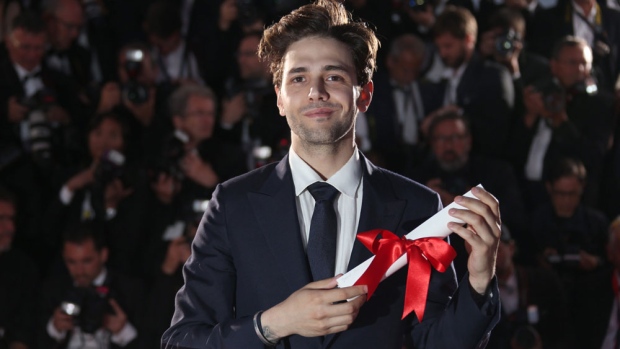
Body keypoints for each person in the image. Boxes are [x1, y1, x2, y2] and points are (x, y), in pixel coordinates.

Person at [162, 1, 502, 348]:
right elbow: (183, 341)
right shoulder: (232, 206)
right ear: (279, 97)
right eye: (299, 77)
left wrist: (478, 280)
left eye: (334, 76)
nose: (316, 91)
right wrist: (273, 323)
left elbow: (434, 343)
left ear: (364, 95)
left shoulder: (417, 207)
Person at [425, 5, 515, 159]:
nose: (443, 53)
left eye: (448, 46)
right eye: (439, 47)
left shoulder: (493, 75)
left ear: (468, 39)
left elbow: (498, 130)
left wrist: (457, 114)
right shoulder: (439, 80)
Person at [38, 222, 144, 349]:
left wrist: (124, 331)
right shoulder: (54, 288)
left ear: (103, 255)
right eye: (71, 262)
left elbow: (153, 341)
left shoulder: (129, 290)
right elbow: (32, 337)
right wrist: (54, 327)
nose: (79, 271)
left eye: (87, 261)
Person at [486, 225, 570, 349]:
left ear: (511, 248)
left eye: (497, 249)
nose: (491, 257)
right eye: (486, 251)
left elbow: (563, 328)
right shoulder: (478, 294)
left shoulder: (543, 282)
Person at [0, 186, 39, 349]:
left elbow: (25, 331)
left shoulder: (23, 268)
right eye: (1, 219)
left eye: (12, 219)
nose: (11, 228)